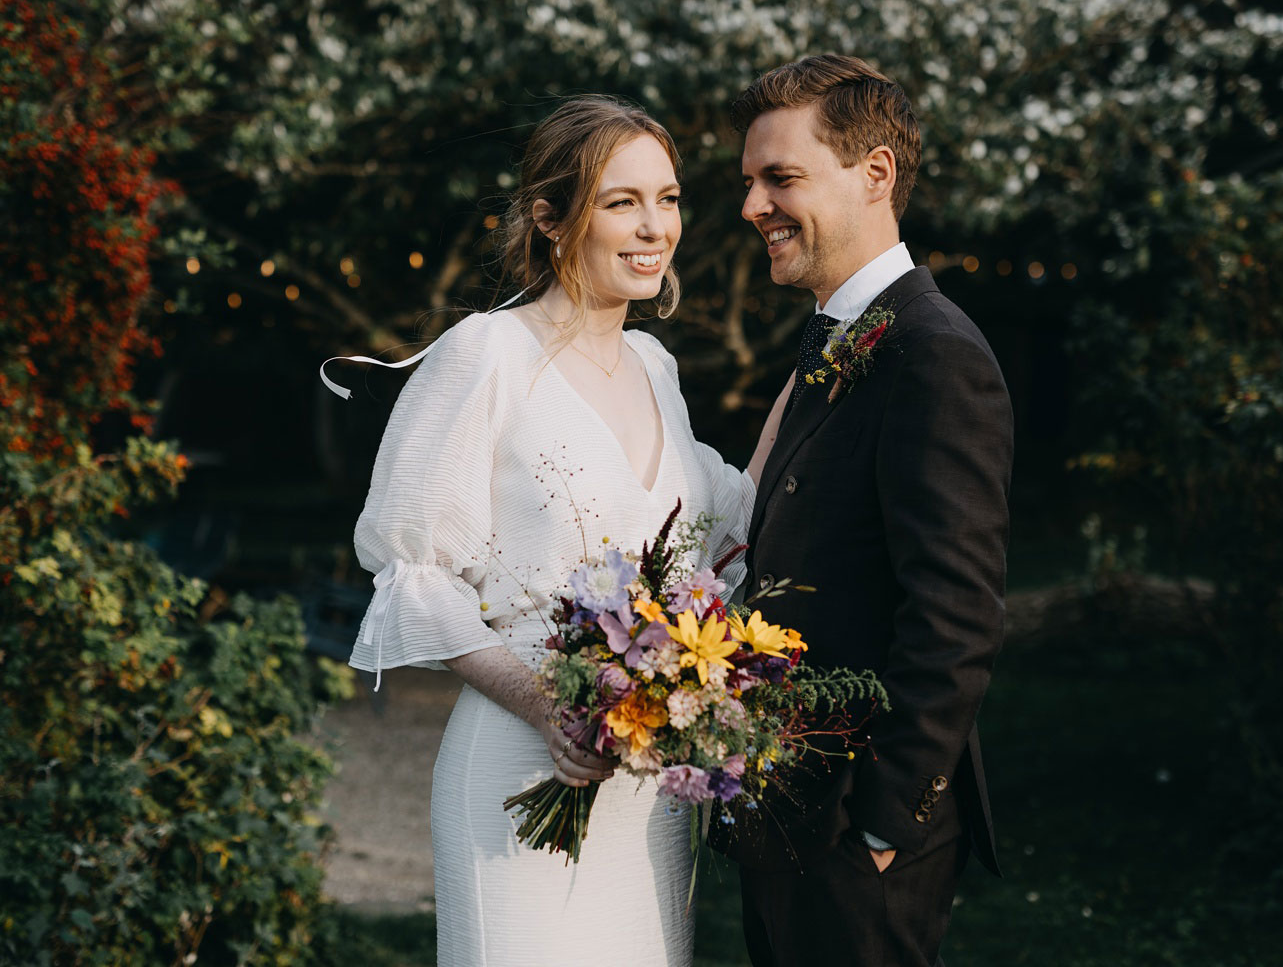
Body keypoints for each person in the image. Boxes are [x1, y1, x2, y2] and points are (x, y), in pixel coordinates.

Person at [343, 96, 775, 967]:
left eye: (670, 197)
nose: (655, 227)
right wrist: (553, 709)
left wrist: (828, 364)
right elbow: (415, 570)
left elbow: (729, 517)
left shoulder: (657, 366)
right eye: (622, 202)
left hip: (647, 789)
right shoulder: (484, 354)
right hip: (517, 765)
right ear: (549, 218)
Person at [710, 55, 1014, 967]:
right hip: (786, 817)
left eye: (781, 179)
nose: (752, 206)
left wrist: (884, 822)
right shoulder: (836, 340)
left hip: (860, 840)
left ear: (874, 173)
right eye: (749, 183)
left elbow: (956, 615)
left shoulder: (934, 353)